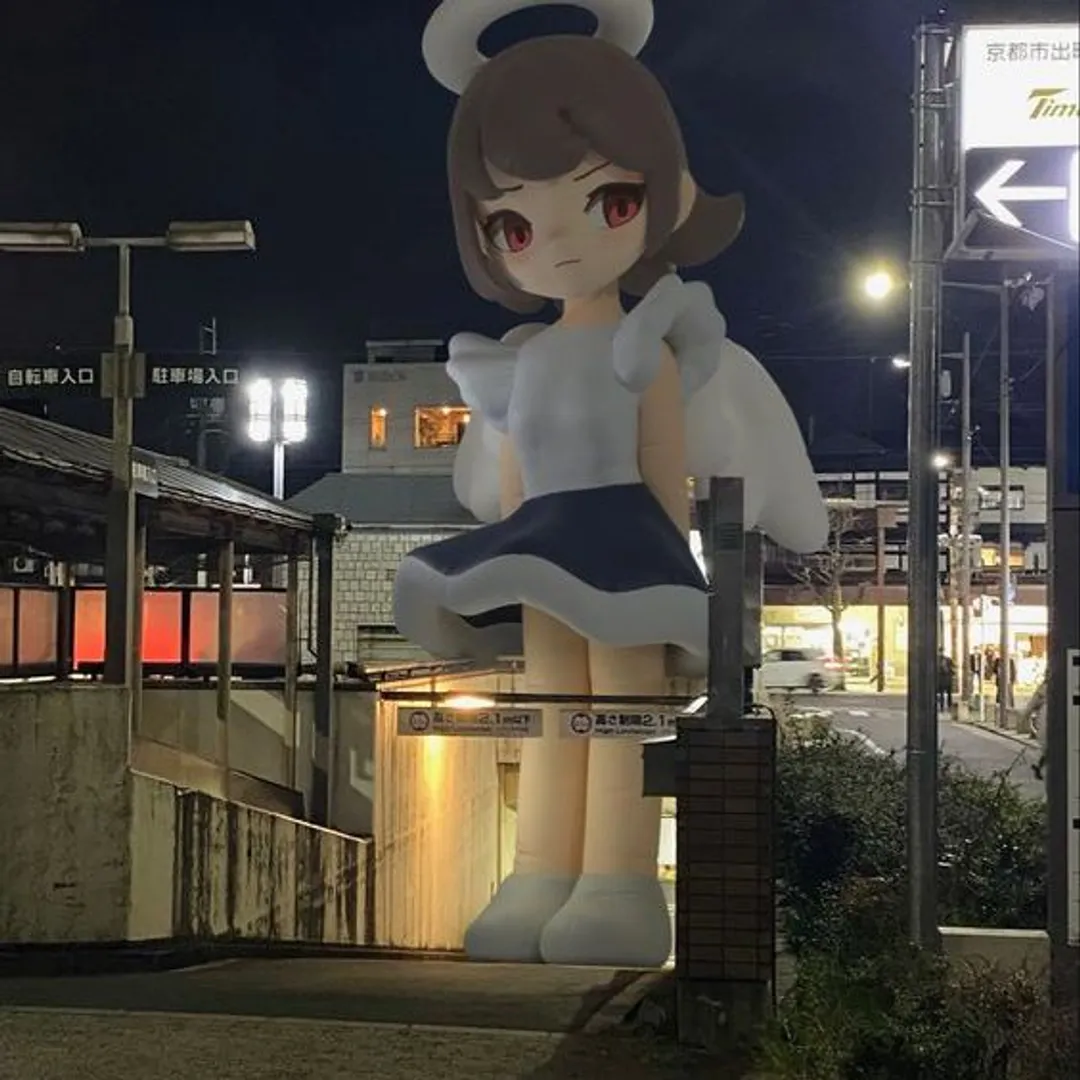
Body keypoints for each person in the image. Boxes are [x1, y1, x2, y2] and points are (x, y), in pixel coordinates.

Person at [395, 0, 827, 969]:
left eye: (610, 202)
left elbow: (662, 466)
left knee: (624, 710)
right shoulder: (521, 358)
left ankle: (621, 881)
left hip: (626, 544)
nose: (555, 241)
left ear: (662, 197)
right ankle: (537, 873)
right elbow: (510, 484)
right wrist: (506, 548)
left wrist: (670, 565)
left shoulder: (650, 349)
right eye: (513, 222)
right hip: (541, 544)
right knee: (556, 705)